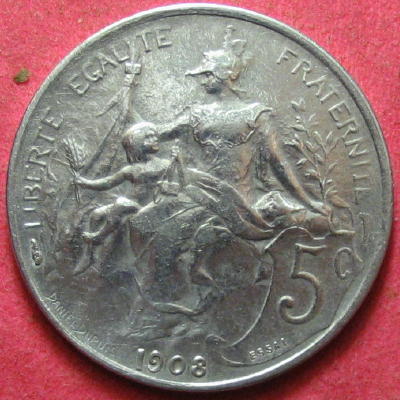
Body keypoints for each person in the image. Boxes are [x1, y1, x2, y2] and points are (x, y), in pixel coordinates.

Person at [73, 121, 179, 274]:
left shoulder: (165, 164)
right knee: (96, 214)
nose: (155, 138)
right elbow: (107, 182)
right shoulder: (131, 169)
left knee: (121, 203)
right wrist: (85, 183)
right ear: (138, 143)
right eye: (149, 137)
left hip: (149, 207)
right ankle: (88, 256)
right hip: (132, 205)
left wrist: (177, 161)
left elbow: (177, 183)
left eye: (154, 135)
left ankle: (99, 236)